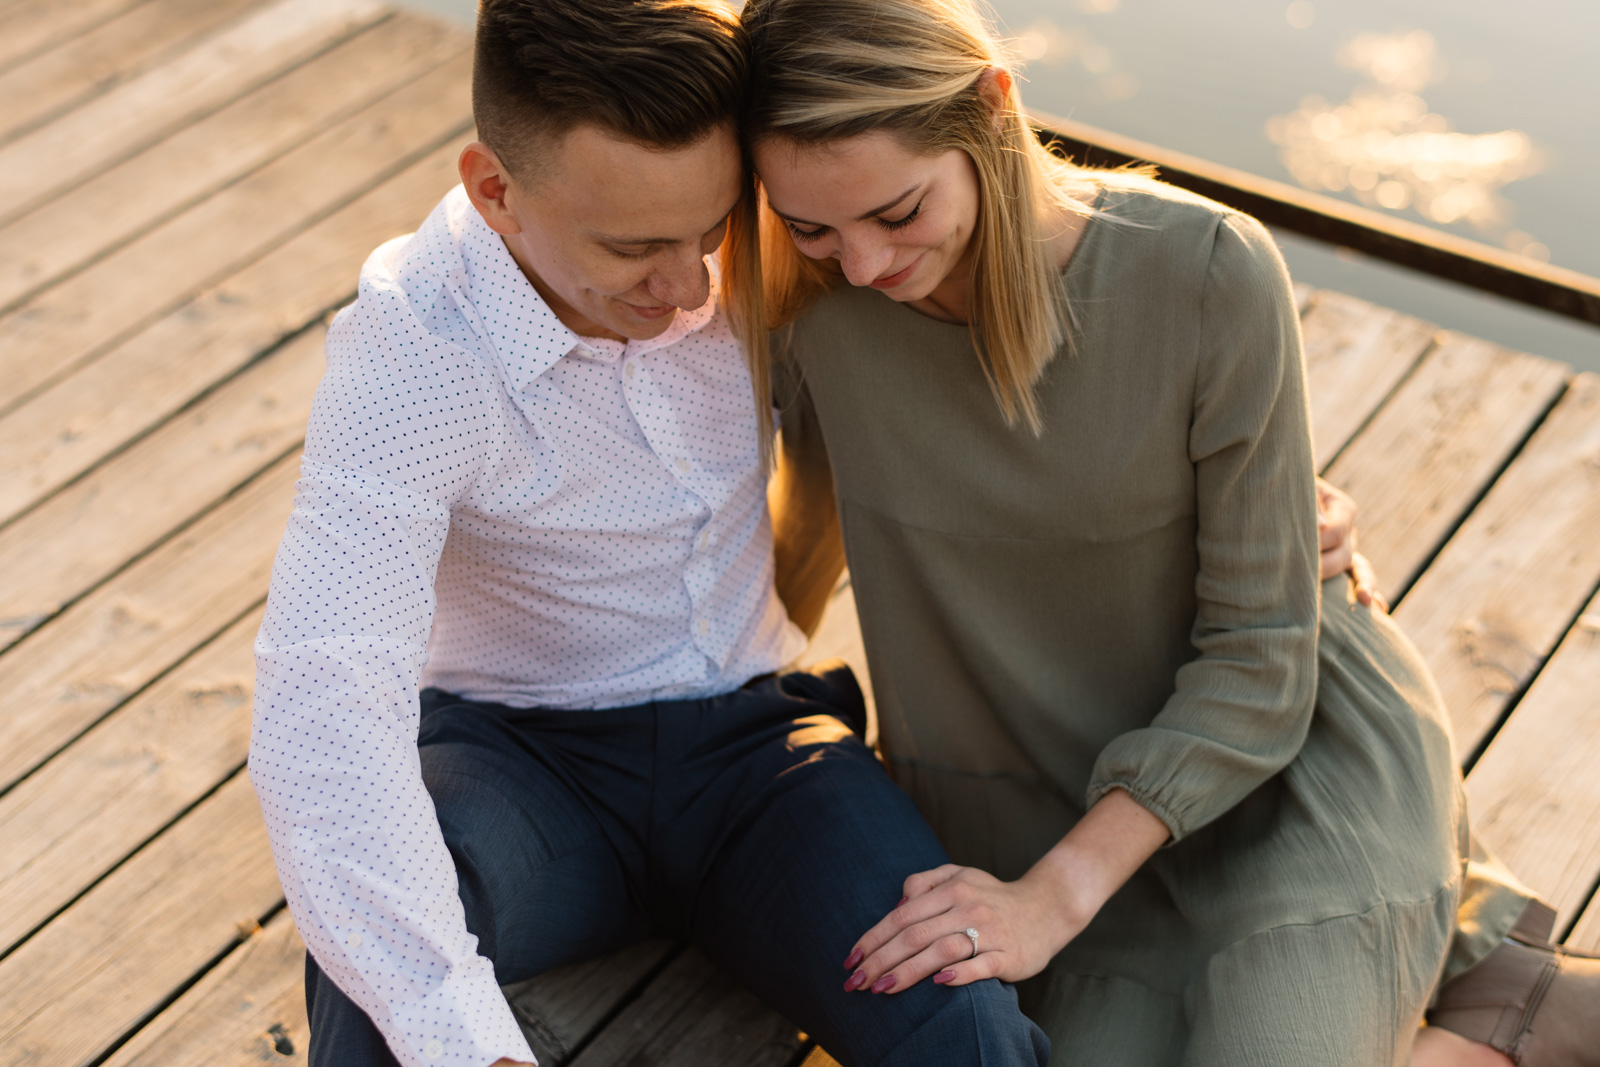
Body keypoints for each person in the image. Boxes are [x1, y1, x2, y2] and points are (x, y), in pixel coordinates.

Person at [740, 0, 1599, 1063]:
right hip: (1021, 808)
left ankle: (1471, 1000)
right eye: (814, 226)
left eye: (898, 211)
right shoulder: (805, 306)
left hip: (1284, 777)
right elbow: (794, 552)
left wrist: (1051, 900)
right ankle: (1504, 1004)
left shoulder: (1203, 270)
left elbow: (1260, 655)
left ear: (989, 111)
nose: (861, 264)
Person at [248, 2, 1054, 1065]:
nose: (688, 289)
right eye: (633, 248)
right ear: (495, 190)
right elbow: (326, 691)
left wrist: (1257, 495)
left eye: (709, 231)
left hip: (762, 761)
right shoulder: (415, 351)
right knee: (378, 968)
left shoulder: (786, 232)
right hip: (518, 770)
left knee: (956, 1000)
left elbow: (991, 252)